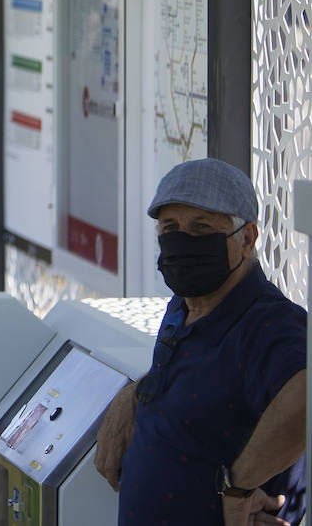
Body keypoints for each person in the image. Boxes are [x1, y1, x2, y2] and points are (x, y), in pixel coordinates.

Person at [94, 158, 307, 526]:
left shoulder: (270, 322)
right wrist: (135, 394)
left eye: (201, 228)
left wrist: (237, 490)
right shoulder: (185, 304)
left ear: (248, 238)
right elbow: (201, 382)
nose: (181, 241)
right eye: (170, 226)